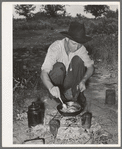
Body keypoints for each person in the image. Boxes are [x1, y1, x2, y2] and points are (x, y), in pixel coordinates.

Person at [41, 21, 94, 110]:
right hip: (57, 82)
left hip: (70, 80)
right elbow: (43, 73)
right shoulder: (55, 47)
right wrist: (51, 87)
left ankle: (77, 94)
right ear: (67, 39)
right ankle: (57, 95)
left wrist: (83, 81)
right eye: (74, 43)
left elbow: (90, 67)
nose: (77, 47)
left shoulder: (80, 48)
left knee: (78, 60)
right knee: (58, 67)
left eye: (79, 44)